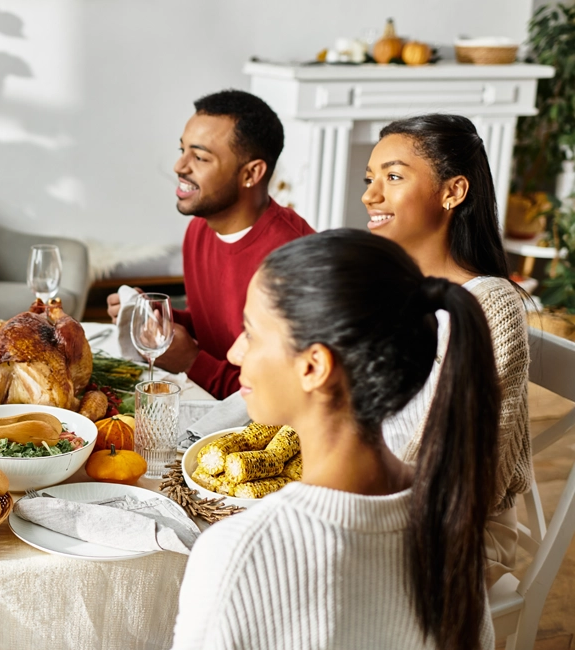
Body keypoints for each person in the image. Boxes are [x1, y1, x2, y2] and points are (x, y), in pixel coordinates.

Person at [173, 229, 496, 650]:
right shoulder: (449, 520)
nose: (235, 354)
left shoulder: (238, 553)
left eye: (250, 333)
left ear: (314, 367)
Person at [364, 113, 530, 585]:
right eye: (370, 178)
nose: (370, 195)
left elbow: (471, 473)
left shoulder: (490, 305)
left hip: (452, 532)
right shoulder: (387, 286)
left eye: (393, 177)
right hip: (374, 496)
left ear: (453, 192)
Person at [108, 90, 314, 399]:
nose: (179, 166)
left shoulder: (295, 262)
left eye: (200, 157)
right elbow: (215, 330)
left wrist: (190, 362)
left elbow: (283, 394)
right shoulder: (200, 228)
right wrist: (158, 317)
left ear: (251, 173)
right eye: (182, 149)